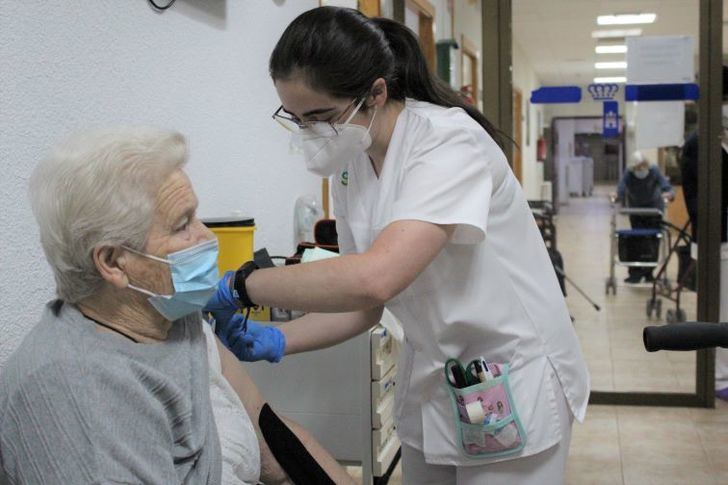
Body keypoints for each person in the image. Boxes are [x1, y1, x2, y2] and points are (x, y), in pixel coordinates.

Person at [207, 7, 589, 484]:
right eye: (298, 119)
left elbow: (375, 278)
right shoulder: (353, 162)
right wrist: (281, 340)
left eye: (321, 117)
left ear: (376, 93)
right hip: (436, 379)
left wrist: (243, 285)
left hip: (509, 374)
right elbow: (364, 303)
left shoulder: (447, 144)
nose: (311, 134)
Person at [0, 127, 354, 485]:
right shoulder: (73, 396)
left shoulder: (173, 317)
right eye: (183, 225)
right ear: (114, 262)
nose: (208, 236)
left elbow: (268, 430)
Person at [680, 65, 728, 400]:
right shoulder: (700, 144)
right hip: (717, 239)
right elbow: (698, 199)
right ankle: (719, 377)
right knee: (720, 309)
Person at [616, 150, 675, 284]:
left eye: (643, 166)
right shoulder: (629, 174)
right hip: (637, 211)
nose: (641, 170)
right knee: (636, 241)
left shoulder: (654, 170)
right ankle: (635, 273)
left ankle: (649, 273)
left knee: (652, 242)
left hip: (654, 211)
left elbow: (666, 187)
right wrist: (617, 197)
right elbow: (621, 188)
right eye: (637, 168)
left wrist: (669, 194)